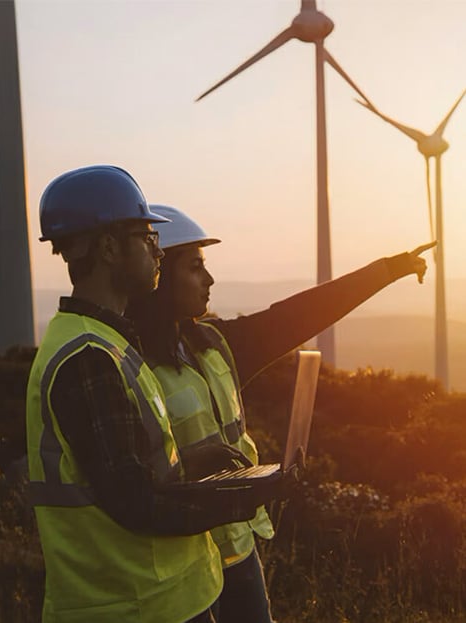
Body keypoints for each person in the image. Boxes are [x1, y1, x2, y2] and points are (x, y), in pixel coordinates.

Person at [127, 204, 435, 623]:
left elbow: (299, 315)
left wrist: (387, 270)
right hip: (178, 565)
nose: (209, 278)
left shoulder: (216, 346)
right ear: (159, 276)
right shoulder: (129, 366)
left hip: (238, 551)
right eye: (195, 267)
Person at [26, 166, 286, 623]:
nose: (156, 251)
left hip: (163, 599)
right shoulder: (90, 359)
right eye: (147, 237)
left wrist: (193, 464)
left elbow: (129, 473)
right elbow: (135, 504)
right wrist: (245, 495)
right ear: (109, 248)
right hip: (135, 606)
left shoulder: (107, 344)